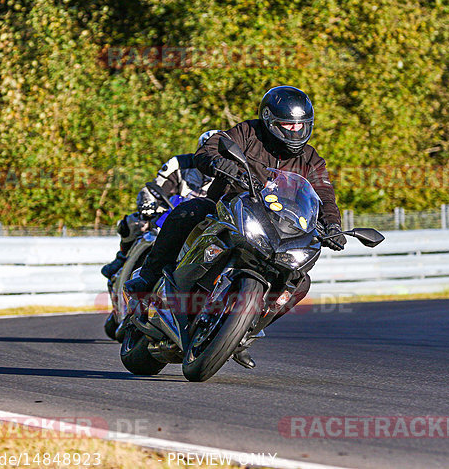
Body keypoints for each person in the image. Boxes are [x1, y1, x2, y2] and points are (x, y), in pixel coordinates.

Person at [125, 86, 346, 368]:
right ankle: (148, 279)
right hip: (229, 208)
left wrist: (333, 226)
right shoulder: (248, 134)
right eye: (287, 124)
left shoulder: (311, 158)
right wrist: (219, 163)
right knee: (189, 210)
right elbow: (211, 146)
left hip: (280, 230)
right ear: (269, 121)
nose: (295, 131)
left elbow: (324, 193)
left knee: (299, 282)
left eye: (301, 125)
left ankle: (243, 333)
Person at [101, 130, 221, 279]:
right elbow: (155, 187)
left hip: (210, 222)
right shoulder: (179, 164)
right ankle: (123, 259)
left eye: (217, 151)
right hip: (172, 215)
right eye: (207, 150)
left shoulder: (233, 172)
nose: (211, 156)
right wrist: (148, 203)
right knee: (134, 223)